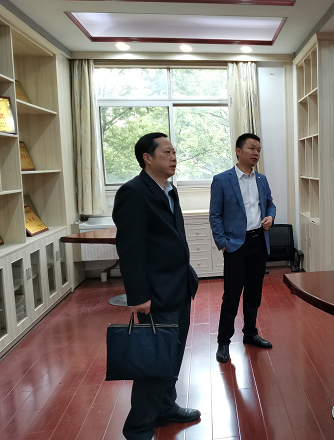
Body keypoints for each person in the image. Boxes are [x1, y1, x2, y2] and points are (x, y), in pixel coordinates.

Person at [113, 133, 200, 440]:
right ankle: (138, 428)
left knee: (172, 354)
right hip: (156, 292)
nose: (173, 157)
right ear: (147, 158)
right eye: (166, 152)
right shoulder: (133, 193)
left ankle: (165, 407)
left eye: (174, 152)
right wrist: (138, 296)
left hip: (179, 286)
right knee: (153, 359)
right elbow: (131, 249)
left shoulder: (169, 190)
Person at [209, 133, 276, 363]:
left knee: (254, 293)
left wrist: (270, 217)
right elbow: (215, 215)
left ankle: (250, 333)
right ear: (238, 151)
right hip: (235, 245)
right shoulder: (222, 180)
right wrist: (223, 243)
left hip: (259, 242)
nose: (256, 153)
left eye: (259, 149)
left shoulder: (262, 180)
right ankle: (223, 341)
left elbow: (270, 204)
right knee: (231, 295)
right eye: (251, 148)